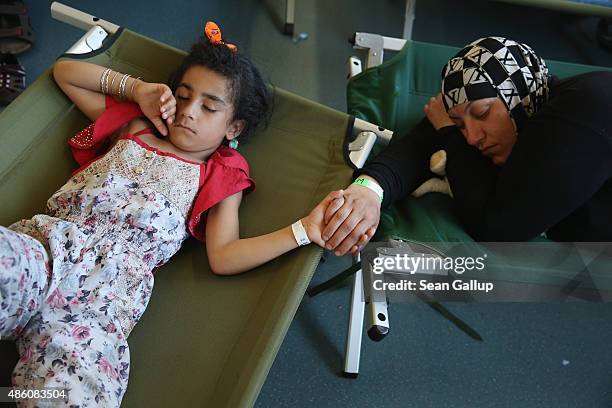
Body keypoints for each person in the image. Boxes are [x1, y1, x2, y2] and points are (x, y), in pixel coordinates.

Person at [0, 22, 347, 407]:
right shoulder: (136, 126)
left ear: (234, 126)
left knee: (71, 397)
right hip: (46, 250)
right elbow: (67, 73)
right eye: (182, 96)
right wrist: (137, 90)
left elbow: (224, 254)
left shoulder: (219, 172)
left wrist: (303, 230)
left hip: (101, 304)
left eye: (209, 107)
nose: (188, 112)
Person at [321, 36, 612, 255]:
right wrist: (369, 189)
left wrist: (449, 131)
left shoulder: (583, 109)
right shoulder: (521, 109)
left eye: (483, 113)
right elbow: (420, 144)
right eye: (460, 124)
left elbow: (497, 230)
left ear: (517, 96)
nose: (472, 137)